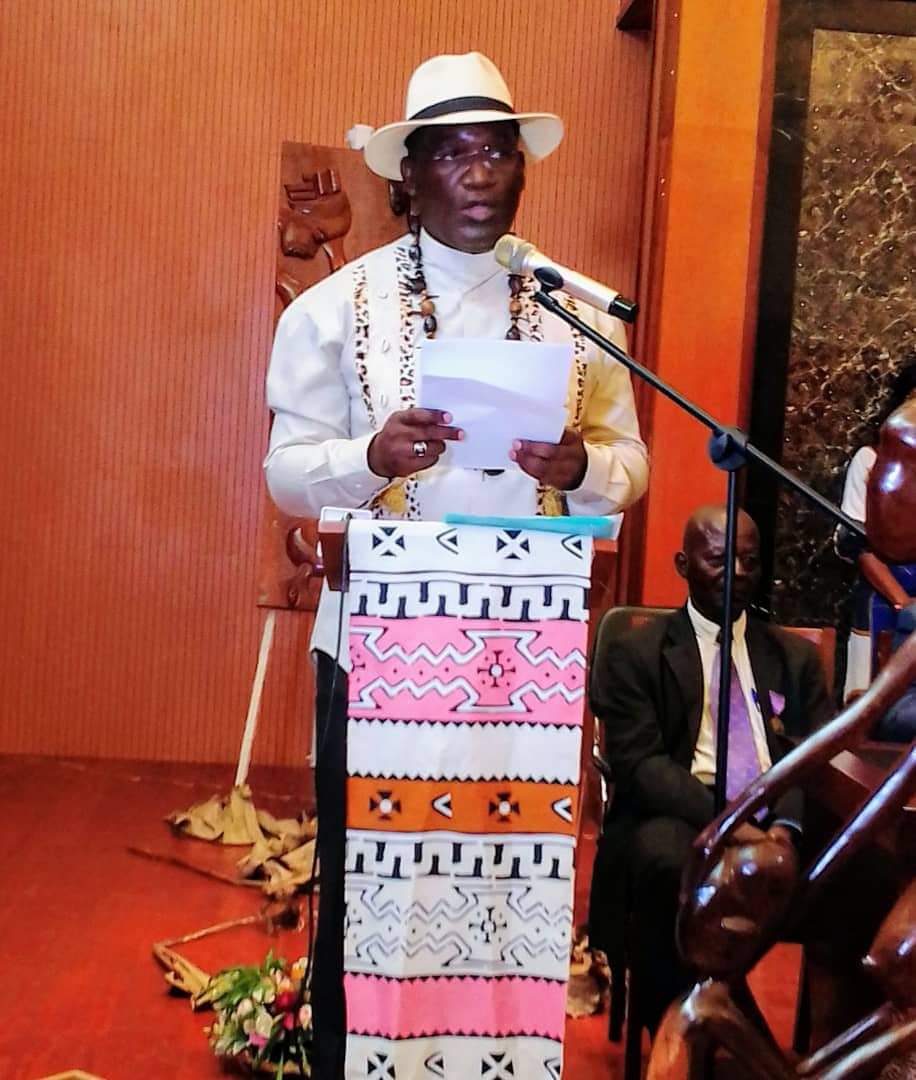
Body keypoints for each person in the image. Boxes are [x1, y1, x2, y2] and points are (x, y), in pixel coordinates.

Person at [263, 51, 649, 1078]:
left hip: (521, 667)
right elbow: (286, 475)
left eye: (498, 151)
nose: (480, 173)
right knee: (371, 888)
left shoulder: (574, 312)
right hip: (376, 653)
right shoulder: (332, 310)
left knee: (507, 883)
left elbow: (630, 465)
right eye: (453, 153)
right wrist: (370, 456)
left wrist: (581, 467)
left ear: (522, 168)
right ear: (411, 175)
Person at [589, 505, 833, 1033]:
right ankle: (692, 1032)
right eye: (720, 560)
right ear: (684, 564)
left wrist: (784, 831)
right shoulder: (637, 652)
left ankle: (843, 1042)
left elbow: (812, 756)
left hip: (776, 813)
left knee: (868, 868)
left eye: (749, 561)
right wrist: (734, 828)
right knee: (664, 861)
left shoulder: (793, 658)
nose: (737, 574)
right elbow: (642, 766)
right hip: (683, 810)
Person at [837, 359, 916, 702]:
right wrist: (904, 604)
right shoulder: (870, 461)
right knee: (870, 705)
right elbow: (858, 545)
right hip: (883, 600)